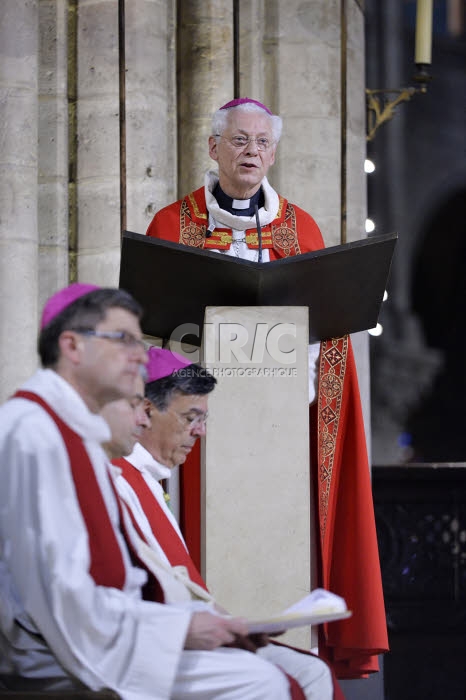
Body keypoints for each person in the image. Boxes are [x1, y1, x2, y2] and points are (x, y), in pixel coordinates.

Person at [145, 97, 389, 678]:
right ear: (214, 148)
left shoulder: (299, 227)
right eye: (239, 140)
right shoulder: (172, 226)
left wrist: (295, 384)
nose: (251, 152)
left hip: (280, 431)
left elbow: (324, 334)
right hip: (199, 429)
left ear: (273, 153)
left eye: (261, 143)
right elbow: (156, 331)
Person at [0, 283, 295, 699]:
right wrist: (179, 629)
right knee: (259, 682)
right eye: (124, 340)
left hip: (91, 637)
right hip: (53, 655)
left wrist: (193, 624)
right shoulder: (33, 432)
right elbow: (60, 596)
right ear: (71, 347)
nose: (140, 356)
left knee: (260, 673)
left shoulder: (75, 434)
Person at [109, 346, 341, 700]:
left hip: (174, 633)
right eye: (190, 417)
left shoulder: (146, 480)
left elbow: (178, 584)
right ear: (146, 410)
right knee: (274, 680)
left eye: (203, 420)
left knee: (311, 669)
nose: (199, 432)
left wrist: (232, 626)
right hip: (146, 643)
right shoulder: (119, 479)